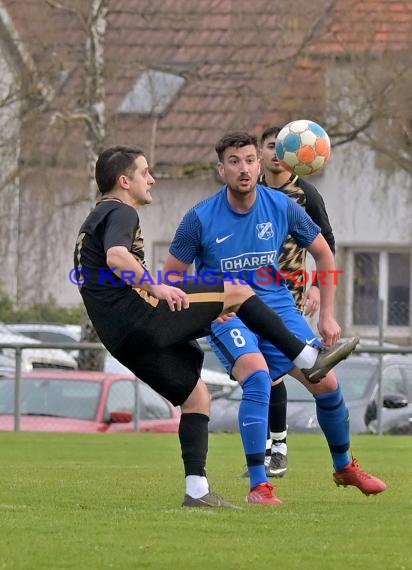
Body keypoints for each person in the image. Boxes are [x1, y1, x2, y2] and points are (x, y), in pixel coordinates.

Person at [73, 145, 357, 509]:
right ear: (125, 181)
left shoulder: (94, 219)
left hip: (120, 338)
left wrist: (209, 307)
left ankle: (196, 491)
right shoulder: (120, 211)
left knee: (197, 398)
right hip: (142, 318)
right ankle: (306, 356)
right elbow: (116, 256)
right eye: (145, 173)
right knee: (237, 289)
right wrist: (157, 286)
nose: (152, 179)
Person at [164, 131, 386, 505]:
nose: (244, 168)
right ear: (222, 170)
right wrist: (206, 309)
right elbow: (171, 277)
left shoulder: (282, 207)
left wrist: (327, 315)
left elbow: (325, 255)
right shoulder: (199, 218)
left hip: (277, 305)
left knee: (328, 384)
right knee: (258, 377)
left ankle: (344, 467)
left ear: (260, 164)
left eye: (250, 159)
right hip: (229, 314)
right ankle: (259, 486)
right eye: (234, 161)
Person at [258, 125, 336, 479]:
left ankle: (278, 447)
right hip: (252, 293)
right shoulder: (248, 191)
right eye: (270, 146)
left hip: (288, 294)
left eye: (282, 147)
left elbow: (326, 245)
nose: (276, 153)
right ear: (260, 152)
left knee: (277, 371)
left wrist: (318, 289)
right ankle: (272, 447)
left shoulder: (305, 194)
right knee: (262, 372)